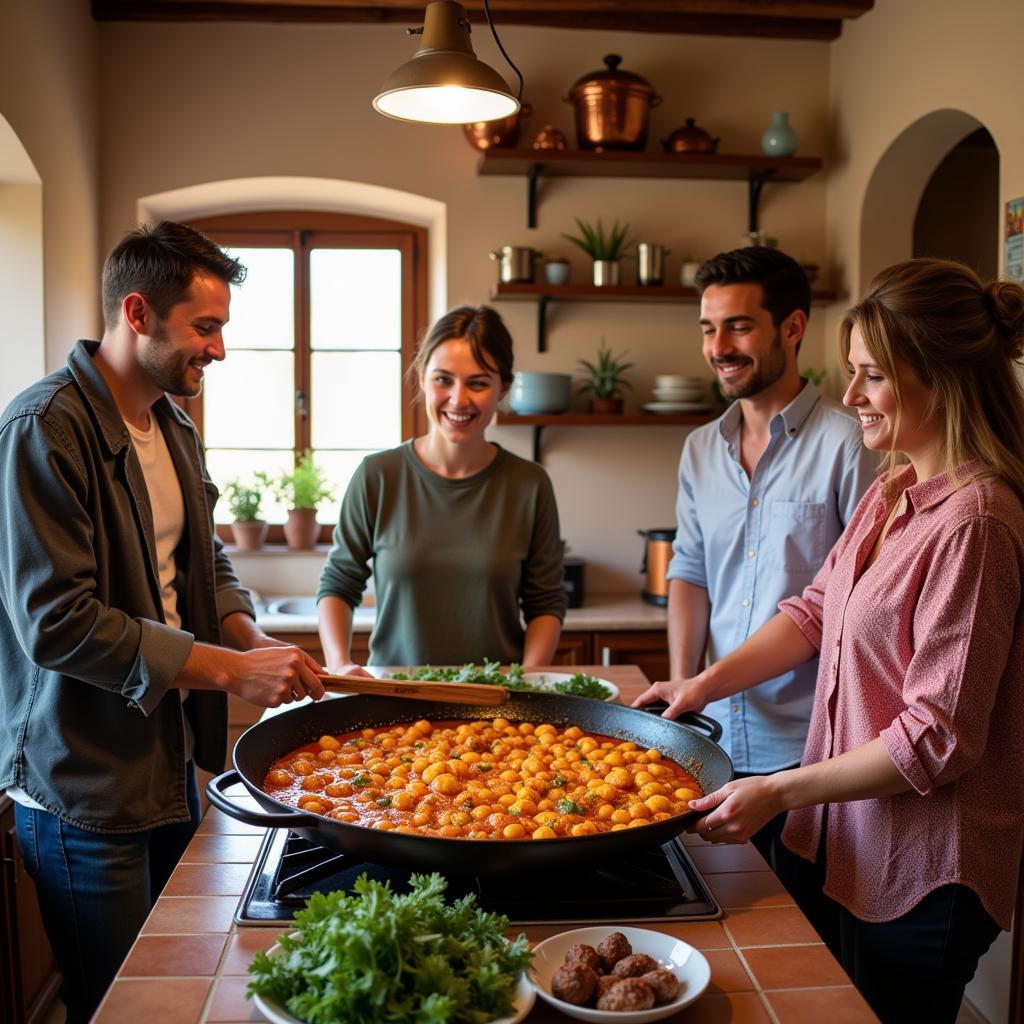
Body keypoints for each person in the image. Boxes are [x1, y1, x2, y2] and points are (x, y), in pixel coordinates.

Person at [637, 258, 1024, 1024]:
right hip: (856, 841)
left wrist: (779, 789)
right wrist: (700, 686)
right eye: (851, 374)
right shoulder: (892, 491)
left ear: (938, 377)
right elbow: (814, 610)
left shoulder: (977, 521)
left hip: (925, 866)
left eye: (870, 377)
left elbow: (938, 738)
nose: (850, 397)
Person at [0, 221, 326, 1024]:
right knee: (119, 1005)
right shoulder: (44, 429)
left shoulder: (172, 424)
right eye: (205, 328)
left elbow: (204, 558)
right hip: (85, 784)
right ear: (138, 313)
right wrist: (230, 671)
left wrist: (245, 631)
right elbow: (58, 624)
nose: (217, 350)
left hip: (171, 763)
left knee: (178, 990)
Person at [660, 246, 875, 864]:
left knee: (806, 941)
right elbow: (690, 571)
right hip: (717, 735)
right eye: (708, 328)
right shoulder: (701, 448)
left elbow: (845, 601)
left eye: (739, 326)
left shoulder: (850, 443)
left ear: (793, 327)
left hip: (814, 747)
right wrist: (685, 683)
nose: (718, 346)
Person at [318, 305, 566, 670]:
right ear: (421, 377)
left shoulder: (530, 484)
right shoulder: (378, 475)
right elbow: (338, 585)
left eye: (478, 383)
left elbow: (545, 602)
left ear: (503, 389)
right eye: (443, 379)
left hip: (497, 703)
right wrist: (339, 665)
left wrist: (527, 680)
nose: (458, 399)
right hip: (394, 698)